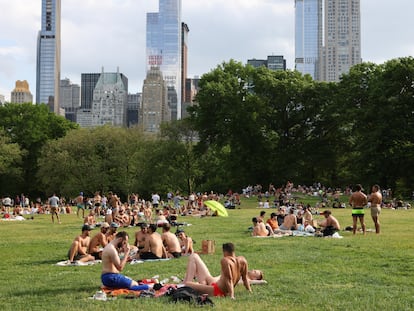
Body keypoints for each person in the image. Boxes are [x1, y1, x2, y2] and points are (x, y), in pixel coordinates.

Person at [184, 243, 253, 299]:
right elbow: (245, 278)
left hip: (217, 291)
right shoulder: (242, 260)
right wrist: (249, 290)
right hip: (216, 284)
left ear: (224, 251)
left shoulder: (225, 261)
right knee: (194, 256)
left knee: (187, 284)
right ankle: (193, 283)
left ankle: (186, 284)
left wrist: (232, 295)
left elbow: (228, 279)